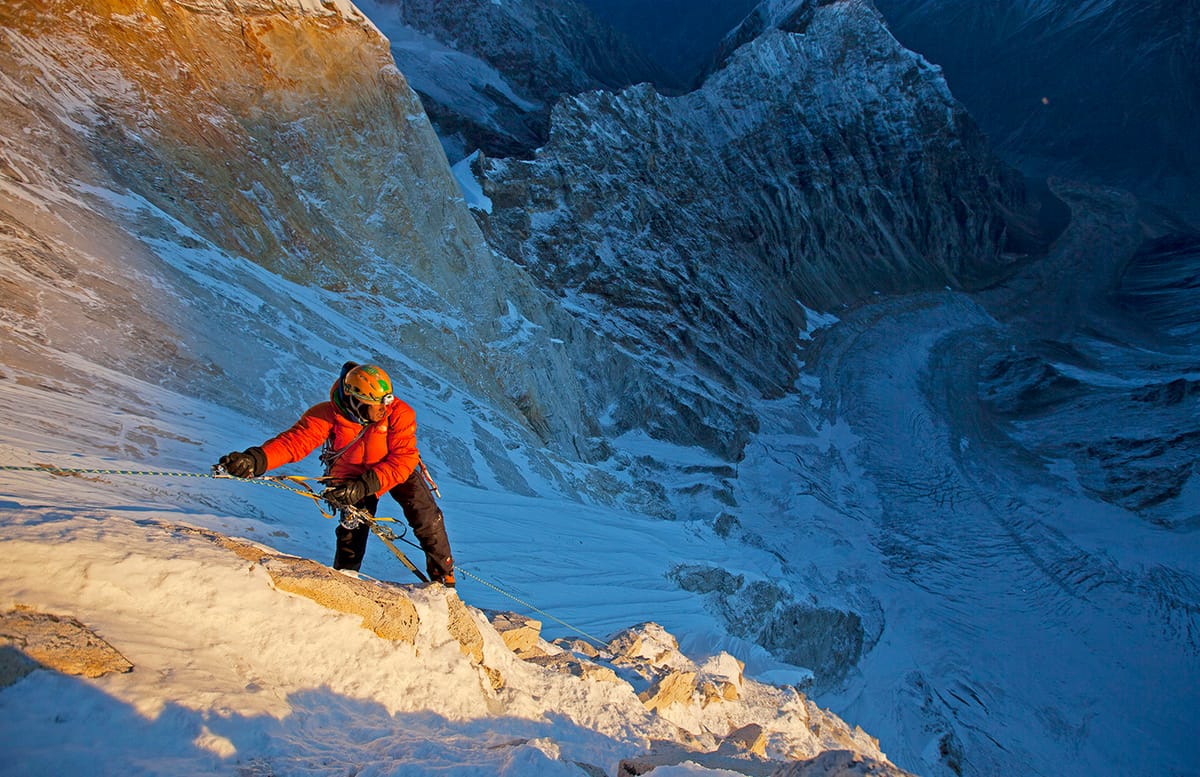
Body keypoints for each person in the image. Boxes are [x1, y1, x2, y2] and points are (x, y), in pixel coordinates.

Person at [217, 361, 455, 586]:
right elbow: (294, 443)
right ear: (356, 401)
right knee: (351, 537)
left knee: (427, 517)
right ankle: (345, 581)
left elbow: (404, 458)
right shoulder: (328, 415)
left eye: (386, 401)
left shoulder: (399, 413)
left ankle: (443, 577)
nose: (385, 408)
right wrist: (255, 460)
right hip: (350, 478)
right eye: (377, 404)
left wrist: (365, 484)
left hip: (393, 469)